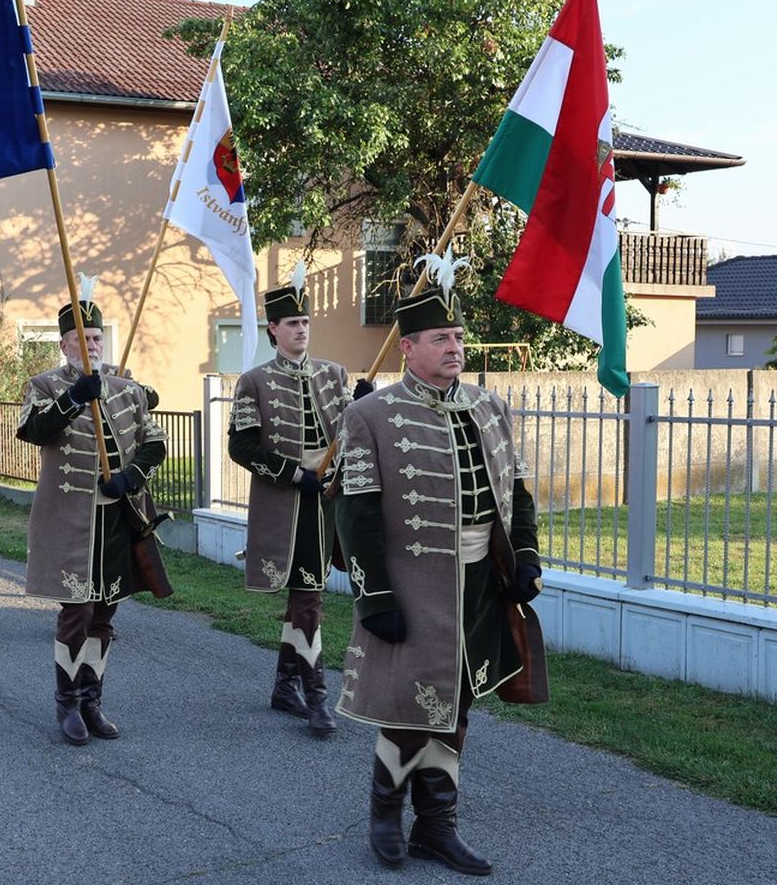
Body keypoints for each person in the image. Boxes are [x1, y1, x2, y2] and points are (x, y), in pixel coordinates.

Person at [334, 264, 546, 874]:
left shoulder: (490, 406)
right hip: (412, 583)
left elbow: (517, 492)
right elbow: (356, 511)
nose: (454, 348)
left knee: (458, 703)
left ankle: (437, 825)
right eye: (440, 340)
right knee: (410, 704)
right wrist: (373, 594)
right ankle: (384, 812)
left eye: (458, 338)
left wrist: (525, 554)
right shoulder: (371, 415)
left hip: (481, 582)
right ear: (408, 348)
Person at [17, 296, 169, 745]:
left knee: (105, 613)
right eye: (83, 339)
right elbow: (32, 432)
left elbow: (154, 442)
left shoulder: (126, 389)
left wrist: (131, 476)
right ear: (65, 345)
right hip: (69, 520)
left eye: (98, 337)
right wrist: (71, 400)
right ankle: (66, 704)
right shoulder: (43, 384)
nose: (93, 345)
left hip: (118, 519)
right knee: (76, 611)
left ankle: (91, 700)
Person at [227, 264, 353, 736]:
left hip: (329, 504)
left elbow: (354, 436)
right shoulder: (253, 382)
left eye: (306, 323)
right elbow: (240, 446)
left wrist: (363, 400)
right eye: (292, 324)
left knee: (306, 599)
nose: (301, 329)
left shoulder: (334, 374)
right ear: (273, 330)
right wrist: (291, 474)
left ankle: (285, 685)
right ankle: (317, 696)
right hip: (288, 505)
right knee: (309, 602)